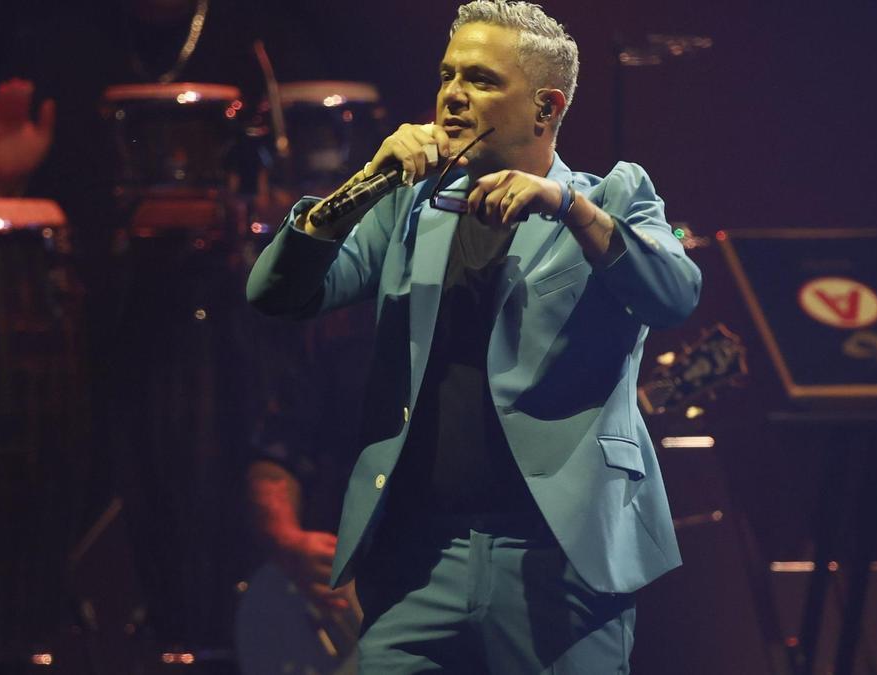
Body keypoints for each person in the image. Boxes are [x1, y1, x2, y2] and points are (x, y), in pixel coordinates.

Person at [246, 0, 702, 671]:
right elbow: (276, 293)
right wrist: (366, 182)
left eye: (482, 79)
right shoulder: (407, 206)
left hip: (557, 561)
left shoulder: (609, 199)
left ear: (546, 109)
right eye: (447, 74)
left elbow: (674, 293)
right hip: (417, 562)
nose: (453, 94)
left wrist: (565, 205)